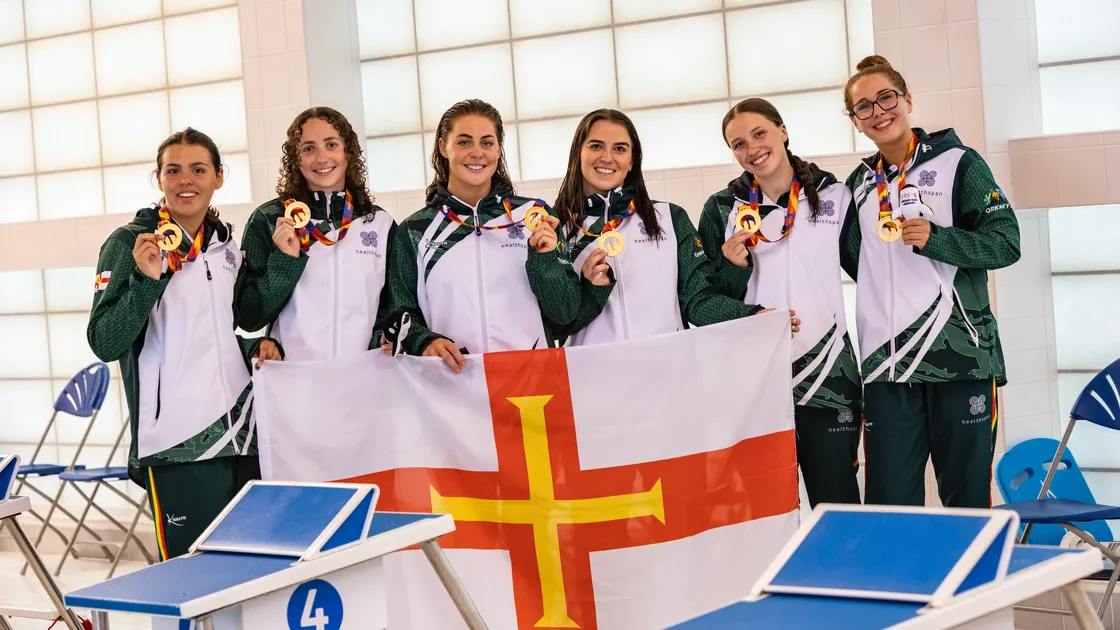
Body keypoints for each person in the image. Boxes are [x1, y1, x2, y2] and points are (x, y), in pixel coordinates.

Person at [87, 128, 276, 560]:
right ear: (159, 178)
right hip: (179, 441)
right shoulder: (130, 244)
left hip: (244, 433)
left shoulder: (227, 244)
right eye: (174, 170)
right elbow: (104, 340)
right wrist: (144, 281)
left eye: (198, 169)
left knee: (256, 569)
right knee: (194, 580)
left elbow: (224, 330)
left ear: (218, 178)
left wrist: (257, 347)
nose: (185, 180)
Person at [840, 55, 1020, 508]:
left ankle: (974, 582)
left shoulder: (959, 162)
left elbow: (1006, 243)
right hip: (886, 367)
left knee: (965, 498)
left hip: (960, 360)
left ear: (907, 100)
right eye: (864, 107)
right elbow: (851, 259)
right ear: (856, 122)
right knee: (890, 503)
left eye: (886, 98)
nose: (879, 111)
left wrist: (939, 239)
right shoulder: (858, 185)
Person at [698, 98, 861, 507]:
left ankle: (843, 573)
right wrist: (734, 267)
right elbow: (708, 303)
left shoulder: (835, 197)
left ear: (782, 131)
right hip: (757, 375)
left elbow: (871, 272)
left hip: (829, 374)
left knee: (836, 500)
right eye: (737, 143)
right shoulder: (721, 209)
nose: (751, 148)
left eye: (759, 134)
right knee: (765, 506)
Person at [554, 108, 783, 346]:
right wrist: (589, 289)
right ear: (577, 154)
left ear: (631, 161)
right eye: (596, 146)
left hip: (668, 373)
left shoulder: (670, 219)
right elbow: (556, 325)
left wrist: (754, 316)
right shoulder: (555, 227)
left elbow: (698, 302)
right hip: (590, 377)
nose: (607, 157)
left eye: (620, 148)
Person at [385, 98, 580, 371]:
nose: (477, 152)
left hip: (532, 384)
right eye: (464, 142)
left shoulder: (535, 217)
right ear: (443, 147)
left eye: (486, 143)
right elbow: (399, 311)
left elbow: (566, 314)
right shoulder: (414, 231)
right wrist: (423, 340)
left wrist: (546, 262)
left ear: (499, 149)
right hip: (452, 384)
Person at [235, 106, 395, 360]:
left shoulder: (379, 222)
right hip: (293, 377)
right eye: (308, 148)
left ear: (348, 152)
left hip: (363, 377)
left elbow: (391, 307)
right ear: (295, 159)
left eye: (331, 145)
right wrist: (284, 263)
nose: (321, 158)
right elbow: (249, 318)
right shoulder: (269, 220)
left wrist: (380, 338)